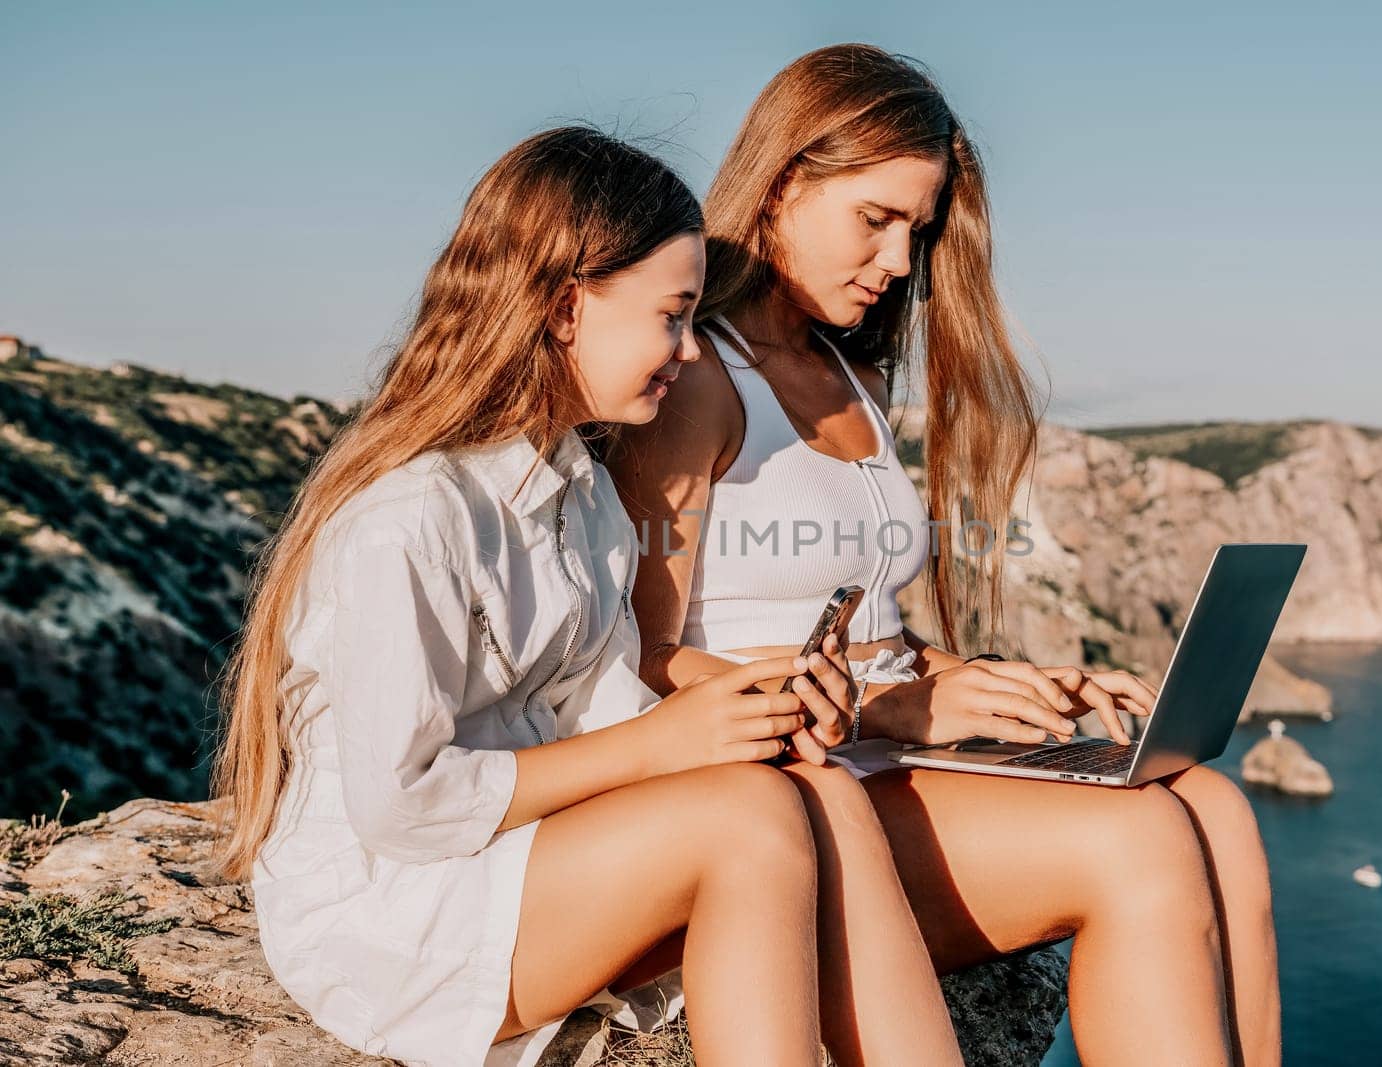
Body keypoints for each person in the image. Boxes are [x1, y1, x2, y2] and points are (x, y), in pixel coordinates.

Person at [208, 126, 961, 1067]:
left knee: (819, 788)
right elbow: (404, 804)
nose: (691, 352)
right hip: (397, 907)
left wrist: (751, 712)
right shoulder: (411, 517)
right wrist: (654, 745)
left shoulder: (584, 495)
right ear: (567, 309)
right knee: (748, 819)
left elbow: (606, 708)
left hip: (522, 855)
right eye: (673, 316)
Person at [607, 45, 1281, 1066]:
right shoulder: (696, 377)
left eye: (914, 231)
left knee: (1214, 804)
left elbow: (876, 625)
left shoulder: (850, 377)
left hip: (884, 759)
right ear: (785, 180)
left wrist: (996, 683)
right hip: (776, 790)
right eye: (874, 218)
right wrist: (887, 706)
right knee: (1140, 843)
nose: (894, 261)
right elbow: (641, 660)